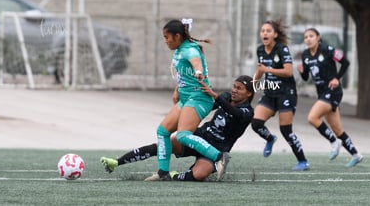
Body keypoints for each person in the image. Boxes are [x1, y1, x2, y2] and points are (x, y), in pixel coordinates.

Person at [100, 75, 254, 181]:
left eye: (239, 88)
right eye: (234, 86)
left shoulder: (248, 112)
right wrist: (184, 103)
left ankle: (174, 175)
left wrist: (215, 95)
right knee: (163, 145)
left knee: (200, 174)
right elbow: (203, 108)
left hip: (216, 149)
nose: (234, 90)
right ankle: (116, 162)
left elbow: (234, 113)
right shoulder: (226, 97)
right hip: (199, 137)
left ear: (248, 94)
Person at [143, 18, 229, 181]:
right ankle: (163, 173)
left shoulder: (190, 50)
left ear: (177, 36)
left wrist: (198, 72)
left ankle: (219, 157)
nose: (165, 41)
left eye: (167, 37)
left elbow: (196, 63)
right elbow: (184, 73)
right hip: (186, 98)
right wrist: (177, 90)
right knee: (162, 131)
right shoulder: (179, 49)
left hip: (199, 97)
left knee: (183, 135)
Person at [297, 27, 363, 167]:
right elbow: (306, 77)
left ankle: (334, 141)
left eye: (311, 36)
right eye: (305, 37)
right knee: (337, 129)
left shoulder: (327, 49)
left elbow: (345, 62)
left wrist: (337, 78)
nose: (308, 39)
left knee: (312, 117)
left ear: (318, 38)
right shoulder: (305, 55)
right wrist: (302, 72)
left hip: (333, 91)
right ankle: (356, 155)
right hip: (321, 93)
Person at [250, 19, 310, 171]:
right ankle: (270, 138)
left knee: (286, 130)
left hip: (286, 93)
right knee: (256, 123)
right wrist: (252, 84)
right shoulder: (260, 50)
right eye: (263, 31)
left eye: (268, 31)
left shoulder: (282, 49)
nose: (265, 33)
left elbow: (288, 71)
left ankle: (303, 161)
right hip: (270, 92)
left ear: (275, 35)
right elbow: (260, 69)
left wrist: (267, 70)